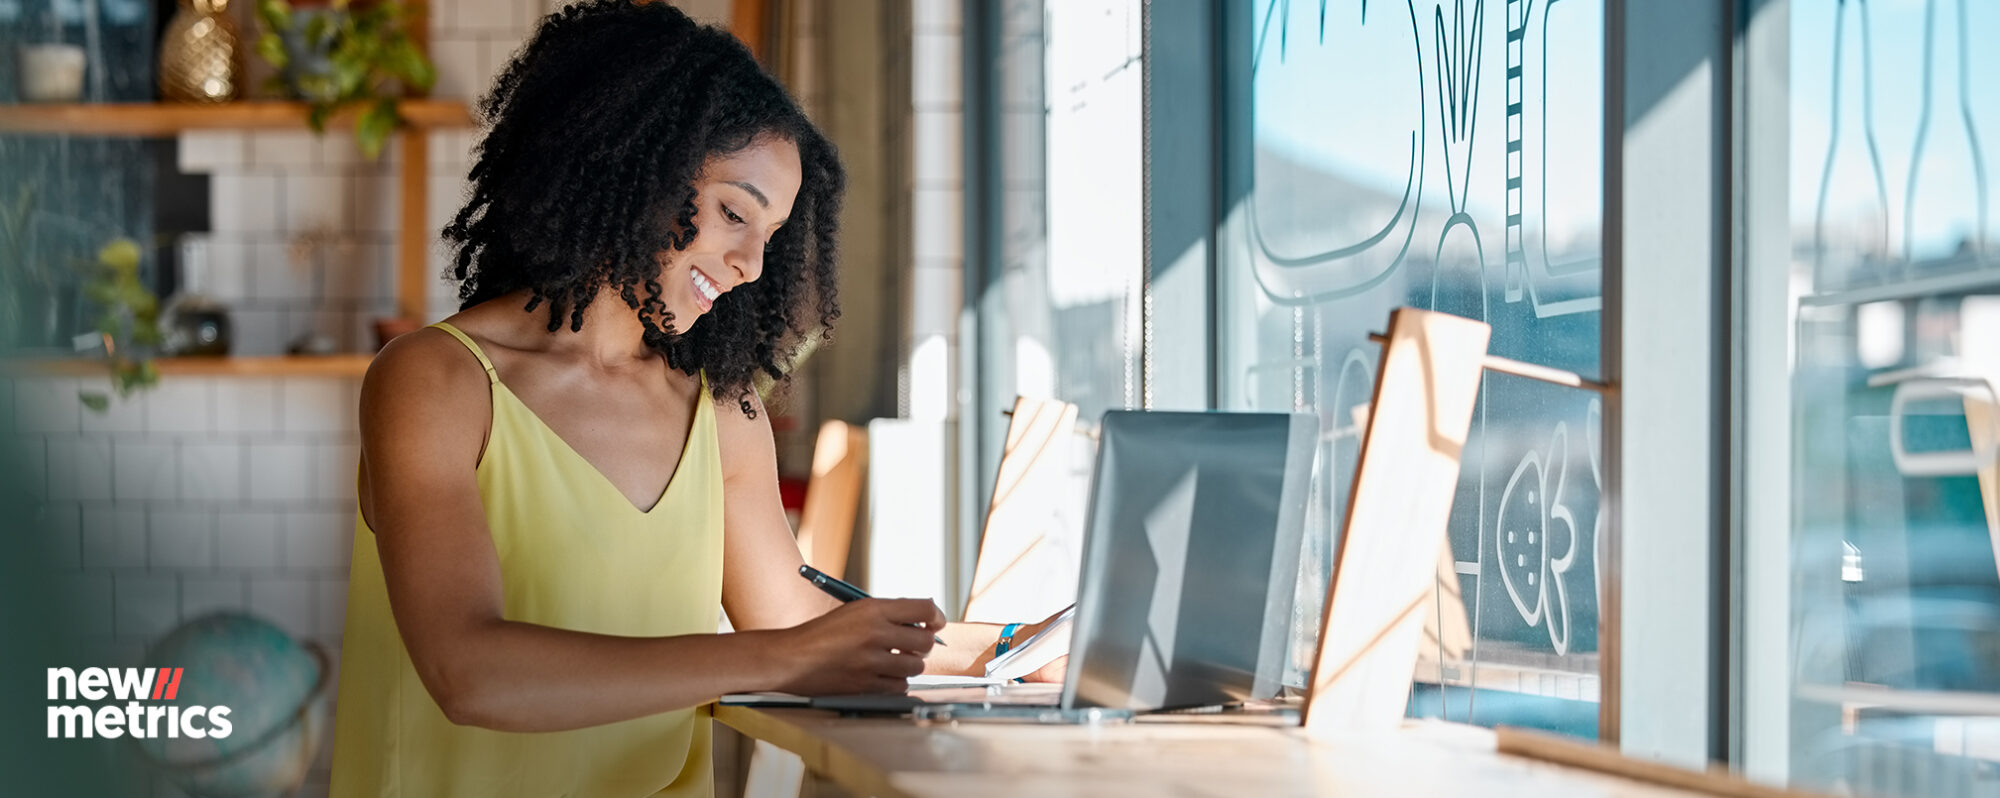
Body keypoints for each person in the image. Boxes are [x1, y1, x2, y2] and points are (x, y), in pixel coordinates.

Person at [328, 3, 1060, 795]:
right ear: (628, 166)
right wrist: (782, 660)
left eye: (771, 236)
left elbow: (789, 618)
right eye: (732, 213)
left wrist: (1014, 649)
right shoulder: (434, 380)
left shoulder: (720, 410)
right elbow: (468, 671)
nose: (750, 263)